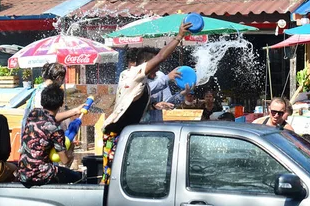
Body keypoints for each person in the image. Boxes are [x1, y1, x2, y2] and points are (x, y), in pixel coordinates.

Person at [101, 21, 193, 184]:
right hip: (115, 135)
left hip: (126, 135)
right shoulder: (133, 74)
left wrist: (162, 102)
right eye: (155, 68)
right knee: (112, 179)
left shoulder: (142, 84)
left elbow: (142, 103)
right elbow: (160, 57)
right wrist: (179, 37)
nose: (157, 72)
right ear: (147, 66)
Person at [16, 84, 83, 185]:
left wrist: (74, 111)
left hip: (23, 171)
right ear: (61, 104)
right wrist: (70, 155)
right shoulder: (56, 130)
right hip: (40, 174)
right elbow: (64, 160)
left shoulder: (33, 114)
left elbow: (50, 119)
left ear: (43, 101)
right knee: (77, 176)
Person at [21, 62, 83, 131]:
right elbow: (47, 118)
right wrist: (74, 111)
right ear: (59, 78)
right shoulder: (42, 93)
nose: (63, 82)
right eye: (63, 79)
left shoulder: (46, 90)